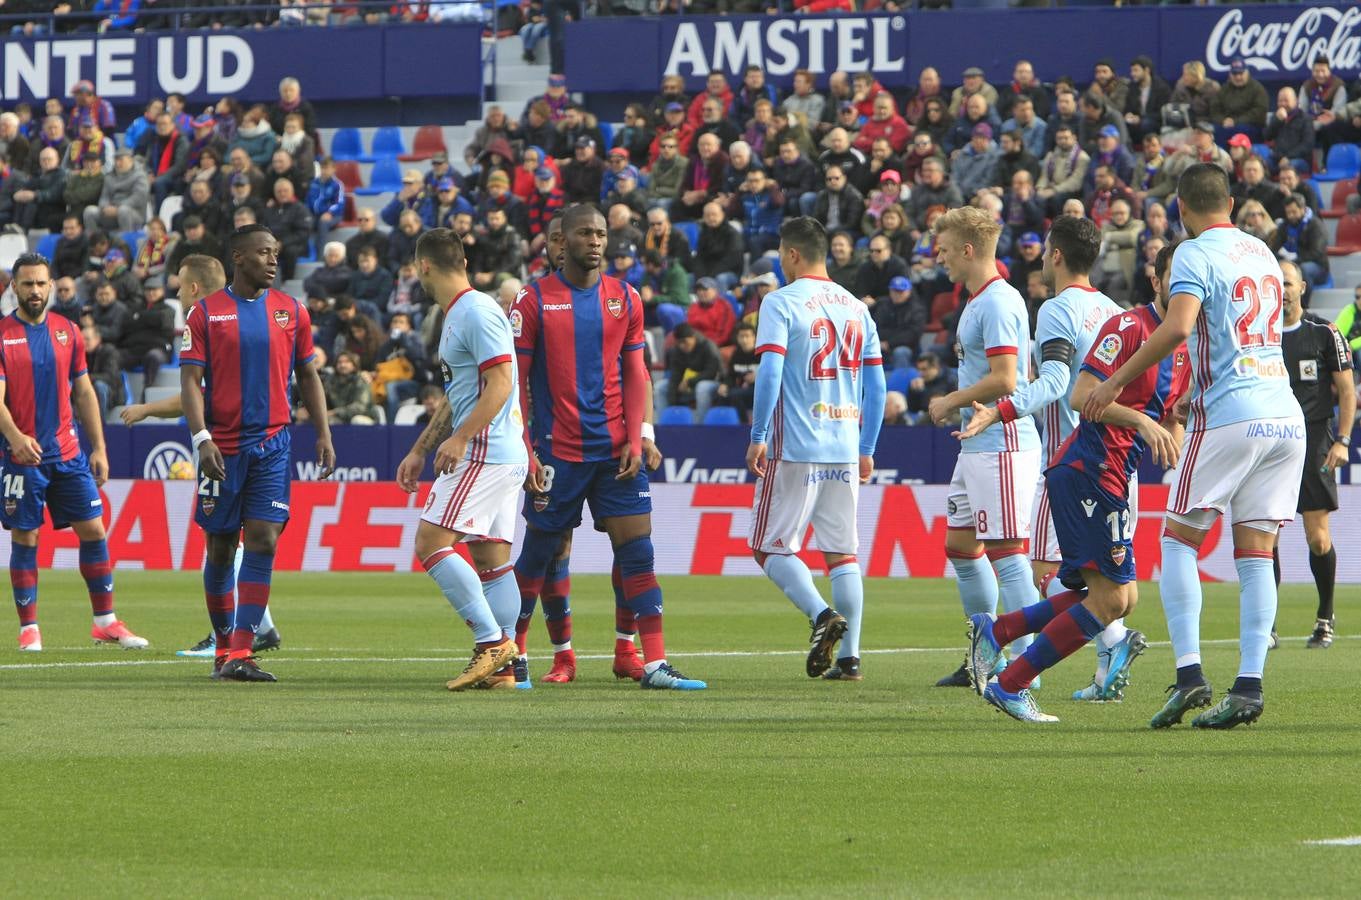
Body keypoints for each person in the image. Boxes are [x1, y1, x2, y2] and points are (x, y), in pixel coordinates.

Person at [1084, 164, 1307, 729]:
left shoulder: (1191, 252)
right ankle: (1249, 686)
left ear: (1181, 207)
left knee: (1179, 542)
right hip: (1284, 414)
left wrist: (1114, 381)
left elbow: (1179, 326)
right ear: (1231, 202)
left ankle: (1189, 676)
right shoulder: (1260, 251)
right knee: (1256, 554)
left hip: (1231, 414)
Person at [965, 242, 1190, 723]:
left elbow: (1172, 416)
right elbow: (1080, 395)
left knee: (1120, 597)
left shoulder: (1184, 347)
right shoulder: (1128, 328)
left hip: (1115, 476)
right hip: (1087, 468)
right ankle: (1011, 683)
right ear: (1156, 281)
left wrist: (1174, 427)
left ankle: (999, 631)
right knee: (1110, 598)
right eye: (1175, 276)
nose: (1185, 287)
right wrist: (1142, 423)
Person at [510, 203, 705, 691]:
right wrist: (526, 448)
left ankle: (654, 663)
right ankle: (514, 655)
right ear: (561, 242)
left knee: (638, 553)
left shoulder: (625, 298)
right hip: (556, 453)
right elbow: (516, 385)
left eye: (600, 233)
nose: (595, 241)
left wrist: (640, 434)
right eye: (584, 233)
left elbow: (636, 372)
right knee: (538, 557)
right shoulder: (532, 302)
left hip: (615, 451)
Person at [952, 215, 1136, 702]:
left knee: (1048, 573)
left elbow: (1056, 383)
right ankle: (1105, 669)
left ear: (1055, 255)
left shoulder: (1057, 310)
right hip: (1117, 461)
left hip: (1075, 462)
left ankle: (1095, 649)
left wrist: (1001, 411)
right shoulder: (1116, 313)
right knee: (1102, 582)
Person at [180, 225, 335, 682]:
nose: (273, 260)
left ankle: (242, 652)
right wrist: (201, 437)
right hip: (221, 450)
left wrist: (323, 432)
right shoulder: (205, 314)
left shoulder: (292, 311)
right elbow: (190, 382)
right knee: (222, 549)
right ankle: (224, 648)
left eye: (276, 252)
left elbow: (308, 375)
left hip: (273, 444)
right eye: (264, 252)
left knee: (264, 539)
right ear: (238, 257)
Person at [121, 255, 285, 658]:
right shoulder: (239, 318)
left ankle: (229, 638)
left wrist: (147, 409)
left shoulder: (212, 323)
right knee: (233, 544)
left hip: (229, 447)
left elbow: (199, 391)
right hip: (245, 444)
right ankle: (252, 632)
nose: (176, 292)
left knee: (223, 546)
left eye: (180, 284)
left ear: (194, 288)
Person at [746, 215, 886, 681]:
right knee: (842, 554)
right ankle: (851, 658)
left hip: (796, 443)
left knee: (768, 547)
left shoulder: (781, 302)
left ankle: (822, 615)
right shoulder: (856, 307)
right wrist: (867, 445)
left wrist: (758, 436)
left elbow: (769, 373)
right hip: (845, 445)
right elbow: (877, 384)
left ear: (791, 254)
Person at [389, 228, 525, 690]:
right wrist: (420, 448)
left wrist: (462, 439)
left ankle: (492, 643)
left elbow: (501, 383)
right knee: (490, 559)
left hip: (487, 450)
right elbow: (458, 395)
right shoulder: (457, 314)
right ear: (463, 261)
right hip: (497, 450)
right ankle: (506, 668)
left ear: (422, 266)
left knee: (430, 543)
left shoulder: (477, 311)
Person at [0, 253, 146, 653]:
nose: (34, 290)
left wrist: (98, 447)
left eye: (40, 283)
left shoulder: (68, 331)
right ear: (14, 287)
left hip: (67, 453)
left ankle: (106, 622)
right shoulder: (3, 335)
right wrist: (14, 437)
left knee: (94, 530)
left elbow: (83, 391)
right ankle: (29, 627)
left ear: (51, 286)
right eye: (27, 283)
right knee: (26, 537)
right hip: (22, 457)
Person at [924, 205, 1042, 689]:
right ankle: (985, 652)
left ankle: (1028, 668)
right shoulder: (979, 301)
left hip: (1003, 442)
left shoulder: (997, 302)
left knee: (1007, 552)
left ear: (968, 250)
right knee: (960, 546)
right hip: (977, 443)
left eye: (946, 249)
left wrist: (950, 399)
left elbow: (1006, 378)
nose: (939, 256)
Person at [1275, 260, 1355, 649]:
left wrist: (1342, 440)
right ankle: (1266, 625)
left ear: (1302, 287)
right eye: (1276, 284)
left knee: (1318, 538)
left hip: (1315, 438)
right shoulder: (1261, 334)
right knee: (1263, 535)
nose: (1283, 290)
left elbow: (1347, 391)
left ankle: (1325, 617)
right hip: (1270, 439)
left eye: (1288, 283)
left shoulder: (1324, 332)